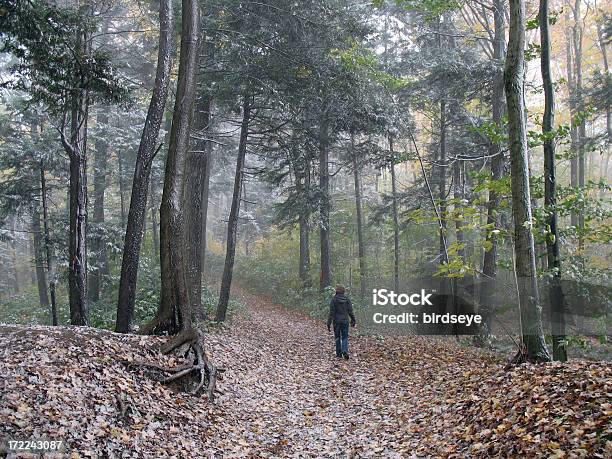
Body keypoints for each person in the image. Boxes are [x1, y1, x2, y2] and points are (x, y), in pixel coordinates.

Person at [327, 284, 356, 359]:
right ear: (343, 291)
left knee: (337, 337)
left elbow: (331, 313)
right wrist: (353, 320)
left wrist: (329, 323)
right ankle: (344, 350)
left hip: (336, 321)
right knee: (345, 336)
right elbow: (350, 311)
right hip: (345, 321)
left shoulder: (334, 300)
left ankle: (339, 354)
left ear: (337, 291)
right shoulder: (347, 300)